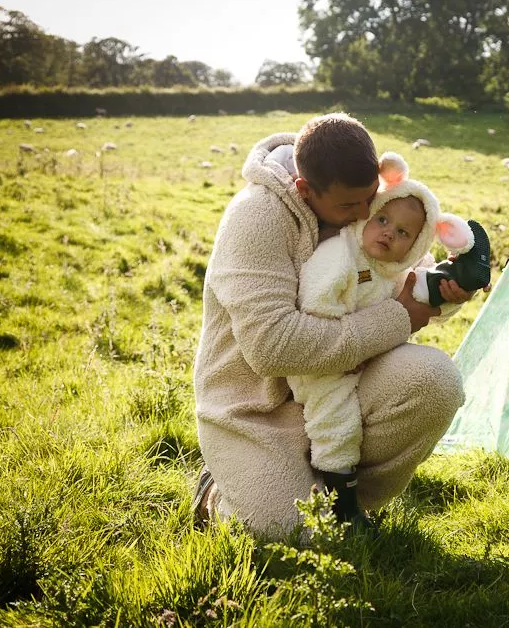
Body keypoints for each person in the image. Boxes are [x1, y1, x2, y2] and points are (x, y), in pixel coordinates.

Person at [191, 113, 486, 537]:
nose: (365, 214)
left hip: (343, 384)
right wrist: (398, 318)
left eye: (371, 199)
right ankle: (217, 493)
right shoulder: (255, 217)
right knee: (286, 533)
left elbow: (396, 279)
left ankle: (349, 509)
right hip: (257, 407)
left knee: (434, 382)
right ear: (304, 190)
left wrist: (439, 288)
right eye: (351, 206)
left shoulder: (355, 195)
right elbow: (271, 347)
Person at [287, 150, 489, 526]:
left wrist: (448, 299)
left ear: (417, 243)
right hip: (324, 362)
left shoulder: (396, 267)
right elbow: (315, 303)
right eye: (382, 219)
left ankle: (464, 271)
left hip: (369, 352)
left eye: (403, 233)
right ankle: (342, 503)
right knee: (336, 420)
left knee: (427, 290)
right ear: (370, 212)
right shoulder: (340, 255)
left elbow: (419, 302)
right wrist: (349, 350)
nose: (388, 233)